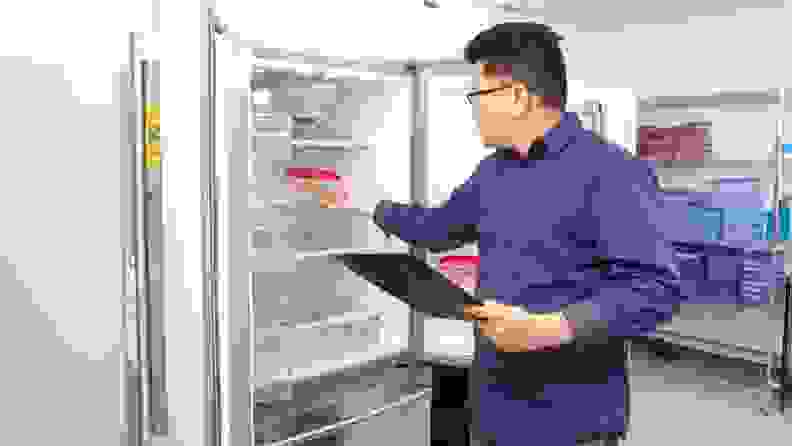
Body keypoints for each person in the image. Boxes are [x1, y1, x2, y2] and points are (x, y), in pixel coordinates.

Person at [319, 21, 685, 446]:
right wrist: (369, 203)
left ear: (516, 96)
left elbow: (658, 288)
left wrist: (554, 327)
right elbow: (440, 229)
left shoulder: (612, 173)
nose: (474, 109)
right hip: (494, 406)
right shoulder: (494, 171)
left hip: (570, 418)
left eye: (478, 95)